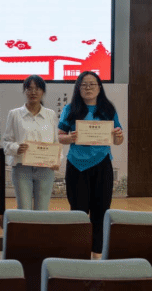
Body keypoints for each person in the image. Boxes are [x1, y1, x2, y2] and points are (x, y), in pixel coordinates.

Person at [58, 71, 124, 259]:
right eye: (84, 84)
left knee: (100, 211)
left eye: (92, 84)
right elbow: (60, 136)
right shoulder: (70, 109)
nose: (88, 88)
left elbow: (118, 140)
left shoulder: (108, 109)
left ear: (99, 88)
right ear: (78, 88)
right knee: (78, 212)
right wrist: (70, 137)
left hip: (102, 164)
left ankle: (97, 254)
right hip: (76, 165)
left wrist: (118, 136)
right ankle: (79, 254)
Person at [1, 75, 60, 211]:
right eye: (29, 89)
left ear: (43, 92)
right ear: (24, 91)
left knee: (42, 210)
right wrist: (16, 148)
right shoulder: (14, 114)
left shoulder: (50, 114)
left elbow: (55, 142)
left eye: (37, 88)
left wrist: (57, 160)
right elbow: (6, 142)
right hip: (22, 168)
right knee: (24, 209)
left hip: (46, 169)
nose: (33, 92)